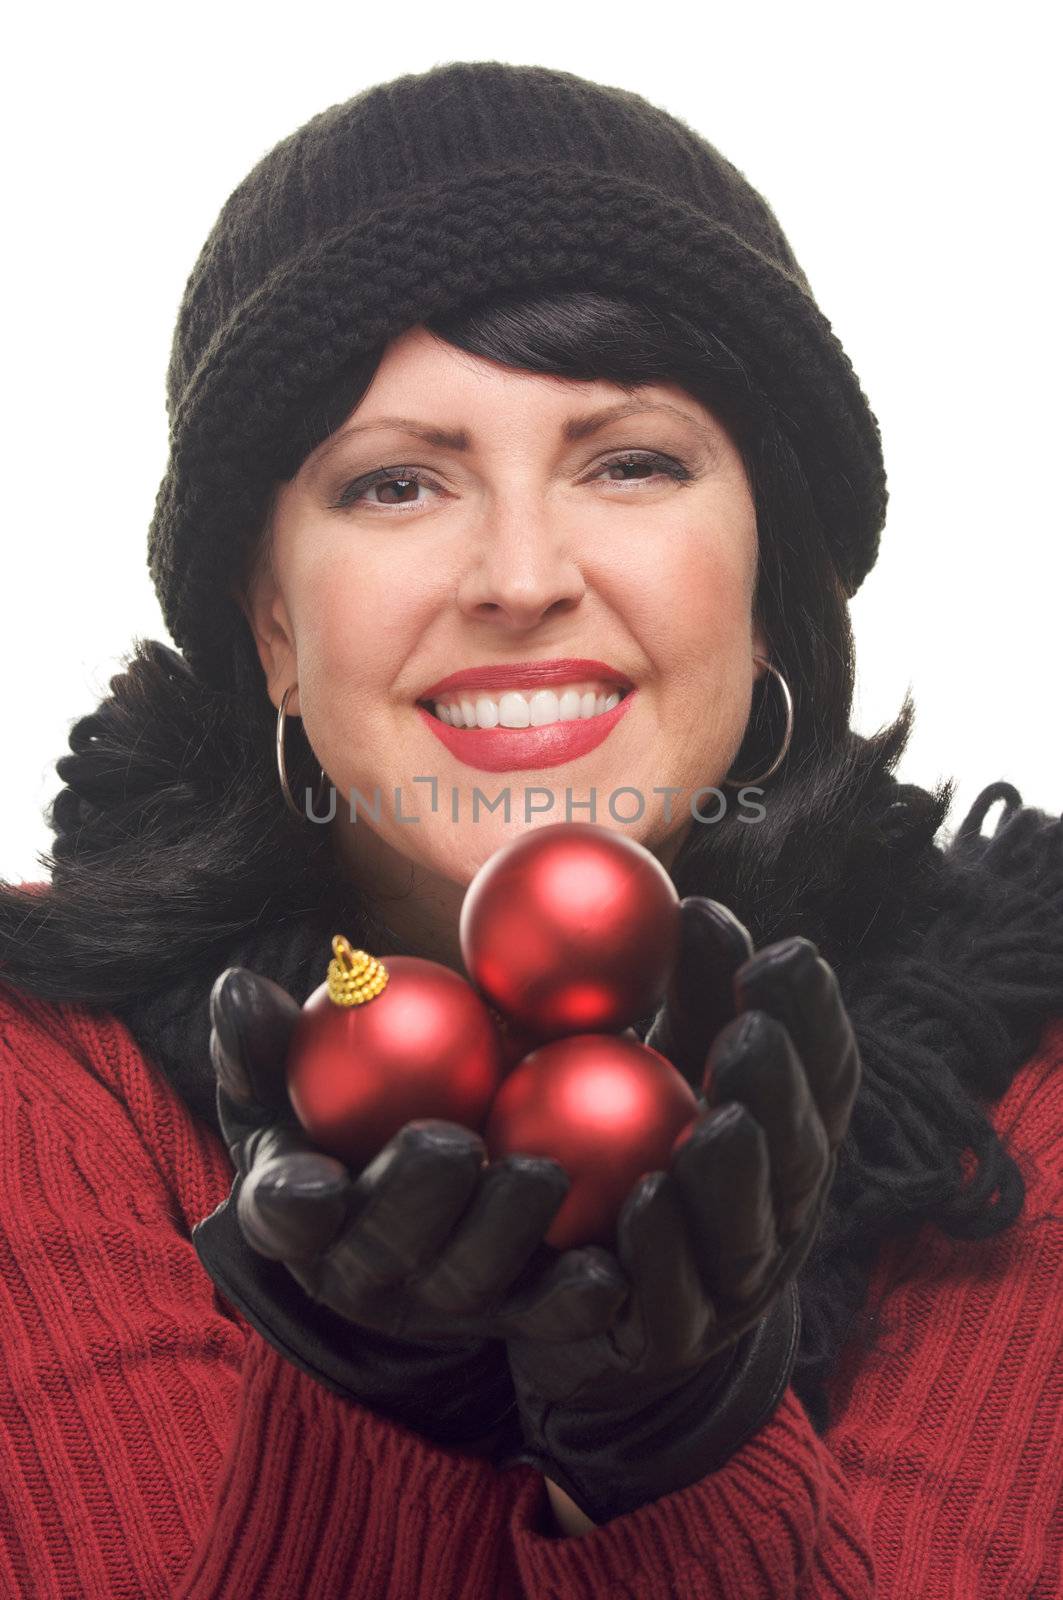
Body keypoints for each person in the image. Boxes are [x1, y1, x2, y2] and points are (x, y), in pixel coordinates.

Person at [1, 58, 1060, 1599]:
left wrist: (675, 1452)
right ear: (273, 629)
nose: (517, 572)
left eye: (629, 462)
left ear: (773, 592)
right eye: (396, 485)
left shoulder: (1015, 1106)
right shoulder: (40, 1074)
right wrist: (366, 1408)